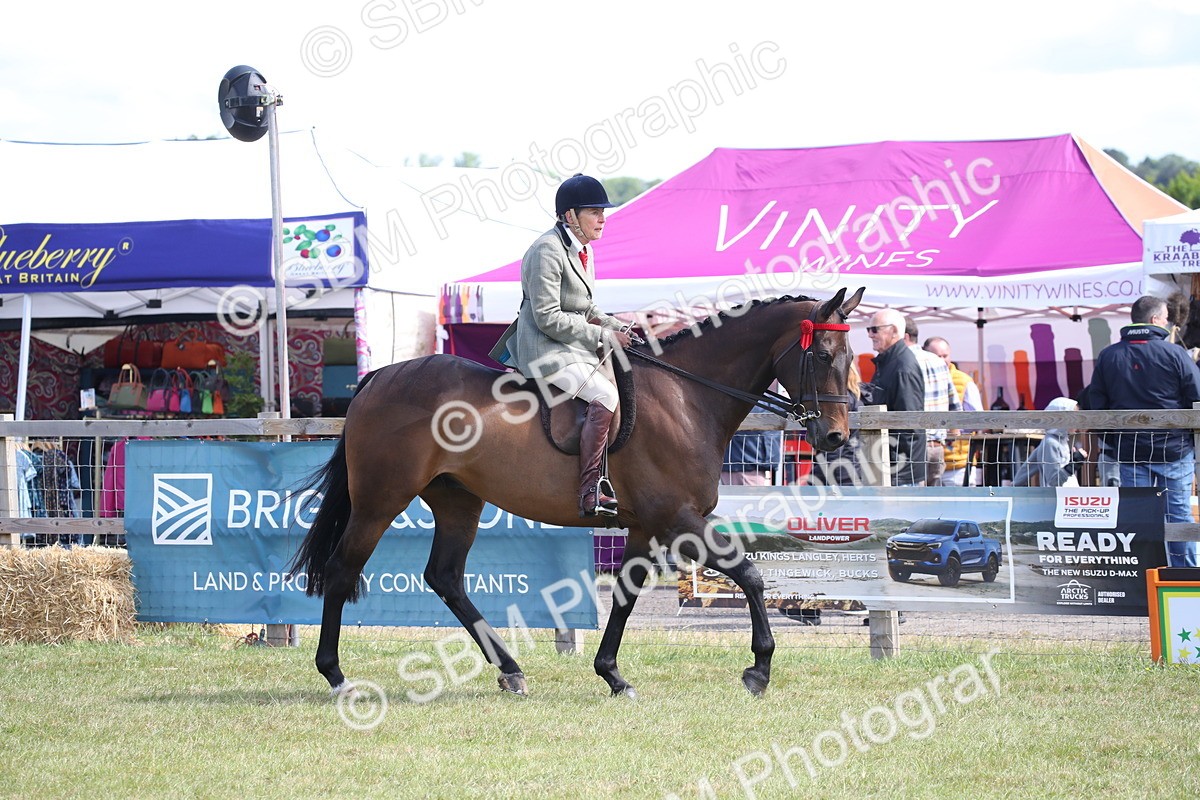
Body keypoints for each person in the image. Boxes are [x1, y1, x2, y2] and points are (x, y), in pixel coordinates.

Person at [491, 174, 633, 518]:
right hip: (545, 348)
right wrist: (602, 337)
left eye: (603, 212)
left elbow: (586, 307)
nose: (603, 219)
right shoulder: (547, 250)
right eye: (594, 212)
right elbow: (547, 317)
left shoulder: (584, 250)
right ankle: (590, 490)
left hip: (571, 346)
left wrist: (619, 327)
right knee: (606, 396)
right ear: (570, 215)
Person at [1088, 295, 1200, 567]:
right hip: (1174, 450)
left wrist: (1116, 442)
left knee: (1138, 517)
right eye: (1166, 319)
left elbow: (1096, 405)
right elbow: (1196, 396)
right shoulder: (1174, 353)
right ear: (1155, 320)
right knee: (1178, 516)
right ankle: (1185, 577)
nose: (1167, 323)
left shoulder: (1109, 355)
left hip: (1130, 452)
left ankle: (1142, 577)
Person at [863, 308, 926, 485]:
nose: (870, 335)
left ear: (894, 331)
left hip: (900, 472)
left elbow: (909, 424)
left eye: (875, 329)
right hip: (889, 467)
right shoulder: (889, 362)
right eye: (869, 329)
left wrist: (897, 470)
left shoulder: (902, 368)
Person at [904, 319, 960, 486]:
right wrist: (947, 440)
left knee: (910, 498)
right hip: (936, 446)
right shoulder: (939, 363)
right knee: (933, 498)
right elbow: (955, 406)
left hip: (912, 446)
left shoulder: (903, 360)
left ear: (903, 335)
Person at [923, 336, 983, 486]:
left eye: (945, 356)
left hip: (957, 464)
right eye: (938, 356)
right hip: (925, 461)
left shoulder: (964, 381)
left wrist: (953, 428)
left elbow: (978, 420)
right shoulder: (919, 378)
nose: (942, 360)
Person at [1013, 397, 1081, 487]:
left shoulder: (1060, 440)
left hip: (1067, 494)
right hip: (1058, 495)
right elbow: (1054, 481)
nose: (1078, 422)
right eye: (1074, 418)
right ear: (1061, 419)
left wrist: (1014, 485)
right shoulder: (1050, 443)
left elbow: (1028, 467)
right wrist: (1073, 464)